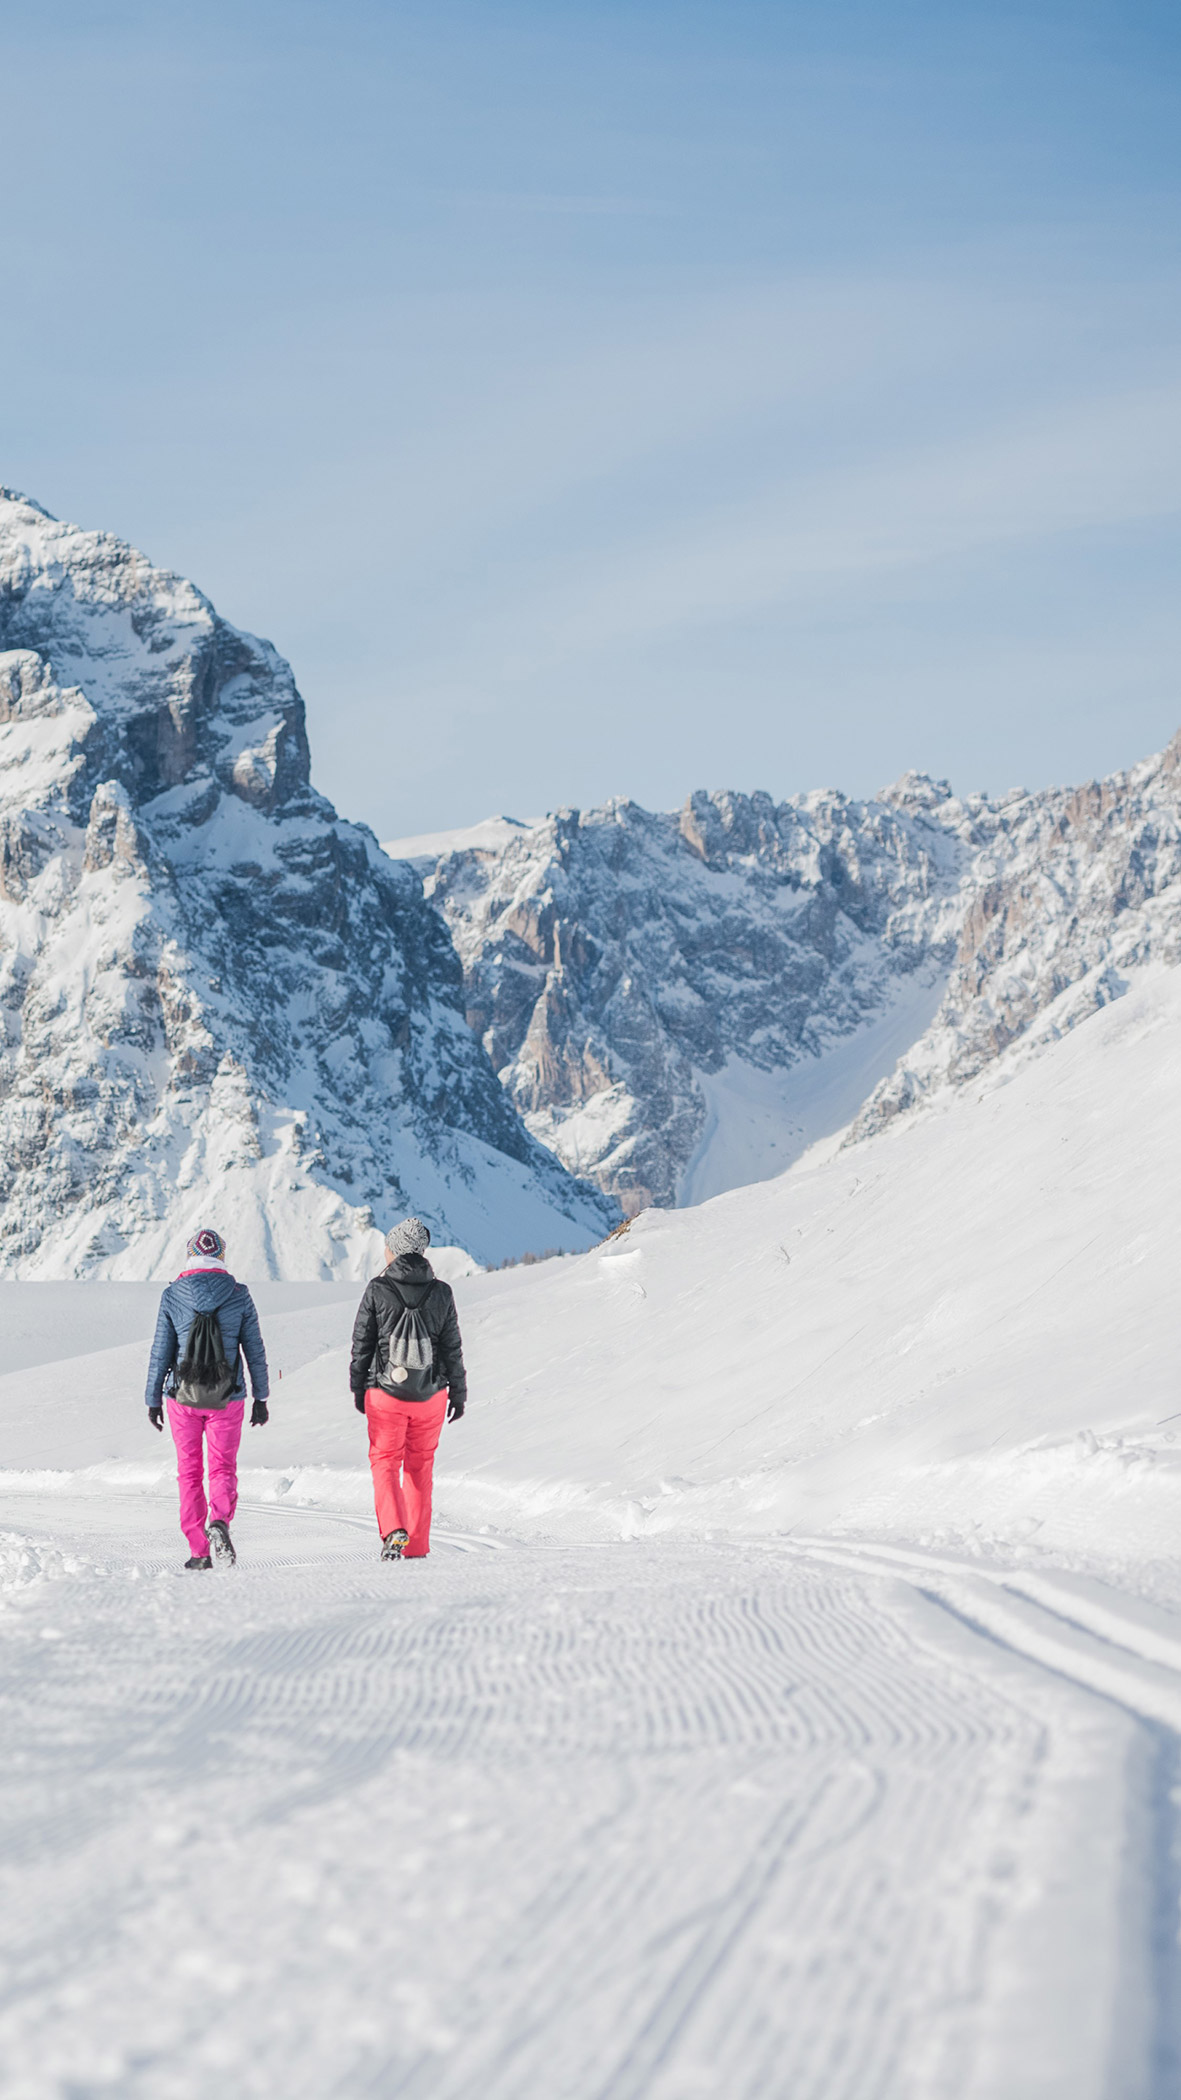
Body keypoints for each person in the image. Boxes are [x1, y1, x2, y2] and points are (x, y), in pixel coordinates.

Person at [145, 1228, 270, 1569]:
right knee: (222, 1467)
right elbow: (254, 1350)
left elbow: (161, 1351)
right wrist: (261, 1396)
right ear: (222, 1257)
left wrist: (153, 1398)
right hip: (228, 1398)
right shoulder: (239, 1294)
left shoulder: (172, 1295)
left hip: (181, 1399)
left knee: (188, 1472)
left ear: (189, 1256)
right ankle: (220, 1521)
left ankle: (199, 1551)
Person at [349, 1217, 466, 1561]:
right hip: (431, 1396)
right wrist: (458, 1392)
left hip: (385, 1395)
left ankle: (393, 1529)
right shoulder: (442, 1292)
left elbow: (362, 1345)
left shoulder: (377, 1289)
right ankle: (415, 1545)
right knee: (420, 1467)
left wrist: (358, 1387)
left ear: (396, 1251)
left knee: (385, 1462)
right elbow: (452, 1348)